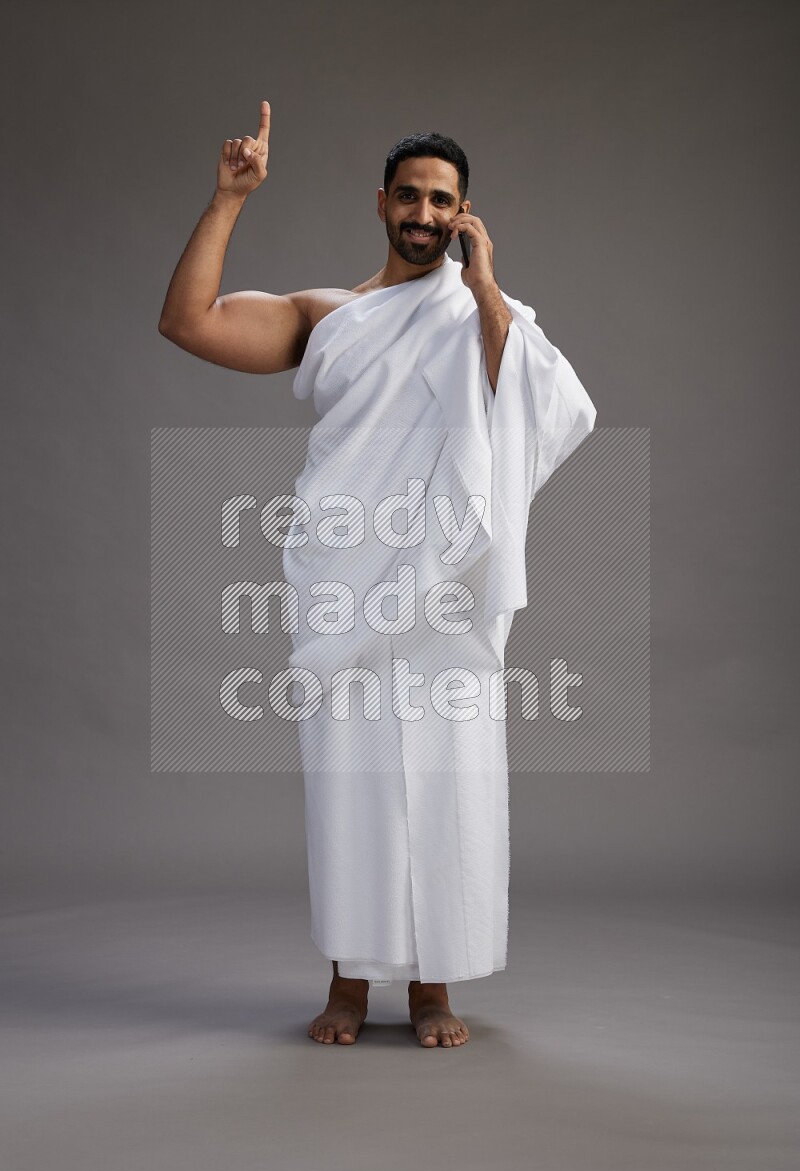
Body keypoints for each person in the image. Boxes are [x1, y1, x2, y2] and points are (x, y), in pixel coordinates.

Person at [158, 100, 596, 1048]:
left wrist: (485, 285)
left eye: (444, 201)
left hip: (446, 589)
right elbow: (187, 322)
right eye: (410, 195)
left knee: (448, 778)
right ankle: (350, 982)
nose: (426, 214)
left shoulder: (488, 313)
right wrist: (230, 199)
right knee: (351, 782)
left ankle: (434, 989)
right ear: (383, 203)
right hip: (346, 577)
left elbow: (547, 408)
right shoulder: (332, 316)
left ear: (465, 212)